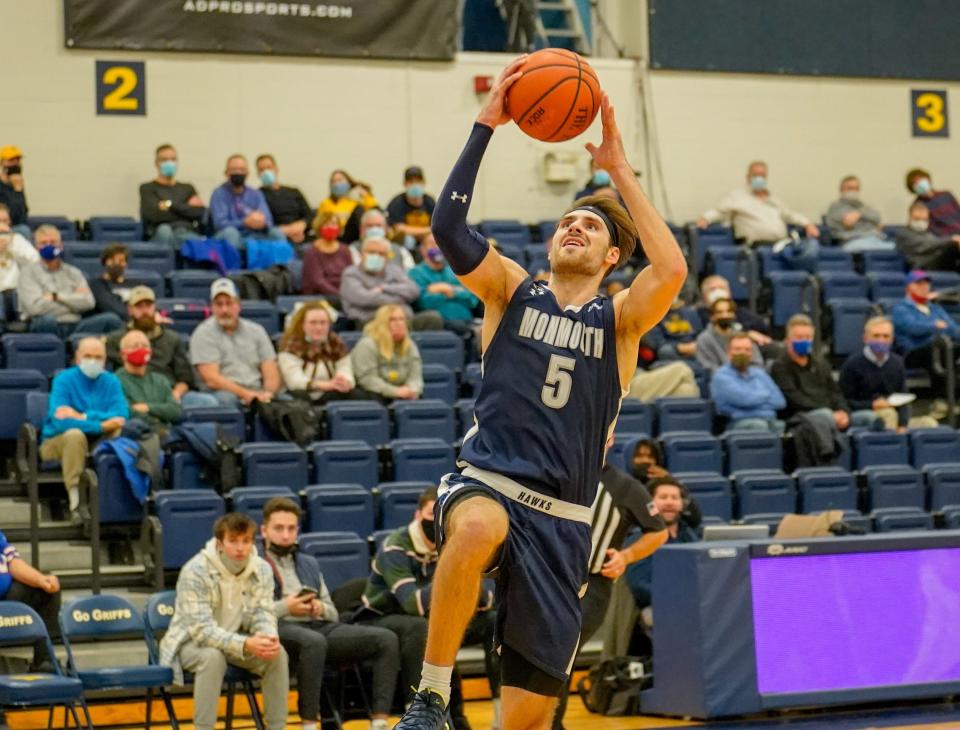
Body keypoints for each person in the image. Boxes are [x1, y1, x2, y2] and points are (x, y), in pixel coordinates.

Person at [392, 56, 686, 730]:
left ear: (613, 257)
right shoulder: (510, 291)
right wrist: (484, 125)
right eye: (566, 223)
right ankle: (432, 696)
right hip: (488, 483)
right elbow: (448, 230)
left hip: (562, 520)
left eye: (591, 227)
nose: (573, 228)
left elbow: (669, 267)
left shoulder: (619, 322)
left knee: (523, 720)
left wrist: (618, 170)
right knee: (472, 527)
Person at [358, 487, 500, 729]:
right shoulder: (395, 547)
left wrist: (460, 584)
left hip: (430, 616)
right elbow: (412, 603)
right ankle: (418, 715)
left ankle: (501, 713)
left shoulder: (452, 542)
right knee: (423, 627)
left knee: (493, 621)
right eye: (429, 513)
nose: (435, 520)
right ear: (417, 516)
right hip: (383, 616)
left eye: (441, 515)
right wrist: (454, 579)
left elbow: (486, 599)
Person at [551, 439, 668, 730]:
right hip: (549, 580)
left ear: (610, 441)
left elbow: (658, 532)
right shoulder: (555, 474)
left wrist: (626, 556)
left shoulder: (625, 487)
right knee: (542, 654)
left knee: (561, 652)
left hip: (593, 584)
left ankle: (552, 724)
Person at [260, 497, 399, 730]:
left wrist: (318, 608)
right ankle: (309, 723)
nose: (286, 535)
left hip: (317, 625)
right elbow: (254, 612)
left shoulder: (308, 562)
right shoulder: (256, 563)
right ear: (264, 530)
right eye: (279, 528)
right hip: (277, 626)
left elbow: (332, 612)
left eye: (291, 528)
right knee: (313, 642)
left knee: (385, 639)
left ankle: (379, 721)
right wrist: (288, 607)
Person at [159, 512, 289, 730]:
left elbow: (263, 612)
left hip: (234, 639)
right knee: (212, 657)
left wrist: (267, 637)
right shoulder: (195, 570)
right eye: (233, 541)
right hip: (190, 642)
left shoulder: (261, 568)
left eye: (246, 541)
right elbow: (202, 631)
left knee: (277, 654)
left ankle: (278, 727)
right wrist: (246, 644)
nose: (240, 548)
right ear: (220, 543)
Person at [41, 337, 128, 524]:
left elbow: (121, 416)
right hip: (56, 443)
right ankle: (76, 502)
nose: (93, 361)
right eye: (88, 356)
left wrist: (82, 417)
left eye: (98, 357)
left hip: (96, 441)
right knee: (74, 434)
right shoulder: (63, 380)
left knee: (119, 432)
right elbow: (60, 423)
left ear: (105, 361)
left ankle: (114, 499)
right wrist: (100, 424)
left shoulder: (111, 381)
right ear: (77, 358)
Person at [106, 285, 219, 409]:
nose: (144, 311)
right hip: (131, 394)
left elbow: (185, 379)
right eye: (139, 306)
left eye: (148, 306)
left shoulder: (172, 339)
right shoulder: (116, 339)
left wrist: (175, 395)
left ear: (155, 307)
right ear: (130, 310)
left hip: (168, 391)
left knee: (208, 402)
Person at [696, 161, 820, 272]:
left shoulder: (774, 200)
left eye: (762, 175)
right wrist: (705, 218)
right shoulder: (737, 197)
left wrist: (807, 224)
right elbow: (719, 211)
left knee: (812, 246)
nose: (759, 178)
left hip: (782, 243)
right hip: (757, 246)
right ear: (748, 177)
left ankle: (805, 280)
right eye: (755, 175)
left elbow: (790, 215)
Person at [190, 278, 282, 407]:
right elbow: (212, 379)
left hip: (258, 390)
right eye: (219, 304)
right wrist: (248, 395)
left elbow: (270, 368)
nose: (224, 310)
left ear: (238, 305)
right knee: (226, 400)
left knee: (287, 401)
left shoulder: (257, 331)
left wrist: (268, 393)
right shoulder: (203, 334)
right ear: (212, 307)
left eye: (229, 303)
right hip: (224, 392)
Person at [17, 225, 123, 336]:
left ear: (61, 246)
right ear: (36, 247)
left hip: (76, 325)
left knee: (112, 320)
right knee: (47, 321)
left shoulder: (74, 273)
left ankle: (72, 343)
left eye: (53, 242)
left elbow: (89, 302)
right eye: (43, 243)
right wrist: (74, 304)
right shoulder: (27, 273)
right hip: (47, 324)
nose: (49, 246)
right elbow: (34, 308)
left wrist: (56, 297)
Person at [839, 316, 934, 431]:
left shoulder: (897, 363)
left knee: (929, 423)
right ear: (865, 338)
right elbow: (843, 401)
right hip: (867, 416)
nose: (881, 341)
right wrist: (872, 405)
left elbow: (903, 396)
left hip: (894, 414)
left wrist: (902, 425)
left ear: (892, 339)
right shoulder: (852, 364)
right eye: (876, 336)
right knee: (888, 414)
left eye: (886, 336)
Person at [624, 477, 701, 612]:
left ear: (682, 504)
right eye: (663, 497)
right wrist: (676, 598)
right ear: (650, 503)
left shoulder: (688, 535)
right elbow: (639, 586)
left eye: (674, 498)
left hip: (692, 602)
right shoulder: (640, 539)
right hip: (655, 607)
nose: (669, 502)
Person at [770, 314, 850, 432]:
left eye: (807, 337)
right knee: (826, 415)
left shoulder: (821, 364)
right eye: (799, 337)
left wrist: (844, 412)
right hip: (799, 417)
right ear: (787, 340)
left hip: (829, 412)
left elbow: (835, 392)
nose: (804, 341)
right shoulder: (780, 367)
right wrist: (830, 411)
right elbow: (795, 399)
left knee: (864, 418)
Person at [0, 530, 61, 671]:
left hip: (5, 596)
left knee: (46, 588)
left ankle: (44, 662)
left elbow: (13, 562)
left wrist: (40, 579)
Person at [339, 236, 431, 327]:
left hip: (402, 320)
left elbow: (413, 290)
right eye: (372, 252)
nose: (376, 256)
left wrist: (384, 288)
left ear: (387, 257)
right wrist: (400, 299)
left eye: (381, 253)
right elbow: (365, 299)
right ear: (361, 254)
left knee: (432, 318)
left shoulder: (394, 270)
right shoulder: (350, 273)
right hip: (370, 321)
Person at [278, 301, 361, 401]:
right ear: (302, 324)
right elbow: (295, 381)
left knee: (359, 395)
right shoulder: (290, 346)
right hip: (304, 393)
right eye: (313, 322)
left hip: (332, 390)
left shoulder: (335, 342)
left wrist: (344, 381)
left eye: (323, 322)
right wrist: (324, 385)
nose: (319, 327)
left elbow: (345, 367)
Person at [711, 333, 786, 433]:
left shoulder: (760, 374)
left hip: (768, 421)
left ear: (752, 353)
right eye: (738, 349)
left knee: (781, 426)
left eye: (747, 350)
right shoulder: (721, 376)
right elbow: (744, 400)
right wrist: (765, 395)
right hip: (735, 423)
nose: (743, 353)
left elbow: (780, 402)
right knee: (759, 426)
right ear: (729, 352)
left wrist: (750, 404)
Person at [350, 304, 423, 403]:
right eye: (393, 320)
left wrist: (412, 390)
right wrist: (395, 391)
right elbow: (367, 379)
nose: (399, 323)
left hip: (403, 393)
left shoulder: (410, 345)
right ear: (382, 323)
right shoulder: (367, 345)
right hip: (376, 394)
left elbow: (416, 377)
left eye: (402, 319)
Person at [210, 154, 284, 249]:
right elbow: (219, 224)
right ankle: (236, 262)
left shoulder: (256, 194)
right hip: (231, 236)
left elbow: (268, 220)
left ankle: (285, 262)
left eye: (242, 169)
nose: (238, 172)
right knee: (231, 233)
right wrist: (245, 222)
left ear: (247, 173)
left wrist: (261, 221)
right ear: (226, 173)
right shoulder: (219, 194)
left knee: (275, 232)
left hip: (254, 235)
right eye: (234, 169)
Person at [139, 143, 206, 247]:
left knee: (184, 235)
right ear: (156, 163)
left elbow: (198, 212)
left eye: (173, 159)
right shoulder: (147, 188)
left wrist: (169, 205)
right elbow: (153, 215)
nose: (169, 163)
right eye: (164, 160)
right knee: (166, 231)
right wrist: (185, 209)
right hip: (160, 234)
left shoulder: (188, 188)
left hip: (186, 231)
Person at [115, 329, 183, 431]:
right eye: (135, 346)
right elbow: (128, 412)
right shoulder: (115, 381)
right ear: (123, 354)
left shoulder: (161, 380)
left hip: (168, 434)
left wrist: (147, 407)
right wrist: (160, 416)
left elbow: (175, 411)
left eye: (145, 346)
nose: (141, 349)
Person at [408, 233, 478, 330]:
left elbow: (472, 299)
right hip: (440, 325)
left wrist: (447, 290)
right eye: (433, 244)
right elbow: (424, 302)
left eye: (441, 244)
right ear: (422, 250)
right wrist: (458, 291)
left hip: (468, 323)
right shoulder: (415, 273)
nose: (438, 247)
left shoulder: (457, 271)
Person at [696, 274, 772, 350]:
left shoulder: (743, 313)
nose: (718, 292)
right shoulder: (698, 315)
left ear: (729, 292)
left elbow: (762, 332)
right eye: (712, 289)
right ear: (704, 295)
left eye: (721, 288)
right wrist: (746, 335)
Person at [695, 297, 763, 374]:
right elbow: (708, 367)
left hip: (749, 379)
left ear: (734, 315)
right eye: (719, 312)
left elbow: (758, 363)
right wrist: (733, 376)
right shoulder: (704, 339)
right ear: (712, 317)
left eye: (729, 311)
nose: (725, 315)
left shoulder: (742, 336)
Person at [824, 175, 892, 252]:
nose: (853, 191)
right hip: (851, 242)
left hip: (874, 238)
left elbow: (877, 217)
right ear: (841, 189)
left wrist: (859, 214)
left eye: (856, 188)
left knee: (898, 248)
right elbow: (848, 222)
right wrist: (870, 222)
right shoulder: (836, 207)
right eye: (850, 188)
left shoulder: (862, 205)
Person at [255, 154, 312, 244]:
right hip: (276, 239)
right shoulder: (257, 196)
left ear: (276, 169)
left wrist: (302, 225)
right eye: (262, 170)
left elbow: (310, 216)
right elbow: (261, 223)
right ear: (258, 174)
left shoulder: (294, 192)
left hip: (302, 236)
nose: (266, 172)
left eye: (269, 167)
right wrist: (285, 231)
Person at [301, 212, 352, 302]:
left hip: (344, 295)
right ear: (319, 227)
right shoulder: (312, 252)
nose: (331, 227)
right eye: (327, 224)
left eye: (334, 224)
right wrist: (339, 296)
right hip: (319, 297)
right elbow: (318, 281)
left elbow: (351, 274)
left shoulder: (345, 250)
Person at [895, 201, 960, 271]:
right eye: (917, 219)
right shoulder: (903, 233)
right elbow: (926, 244)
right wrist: (952, 239)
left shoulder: (928, 233)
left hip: (937, 264)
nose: (921, 222)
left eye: (924, 220)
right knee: (953, 245)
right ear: (909, 218)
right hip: (918, 270)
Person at [348, 208, 416, 270]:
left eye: (378, 225)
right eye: (369, 226)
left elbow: (411, 274)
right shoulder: (351, 250)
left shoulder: (400, 250)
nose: (374, 229)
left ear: (386, 229)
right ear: (361, 229)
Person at [387, 166, 436, 245]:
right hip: (405, 240)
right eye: (411, 181)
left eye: (418, 181)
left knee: (432, 239)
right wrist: (428, 230)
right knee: (409, 241)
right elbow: (399, 228)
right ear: (405, 184)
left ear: (423, 183)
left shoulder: (429, 201)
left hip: (425, 238)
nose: (415, 184)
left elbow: (435, 225)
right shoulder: (397, 203)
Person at [906, 168, 960, 238]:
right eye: (915, 182)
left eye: (920, 180)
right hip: (948, 239)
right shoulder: (918, 205)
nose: (919, 183)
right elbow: (927, 229)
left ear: (927, 179)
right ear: (912, 188)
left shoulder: (946, 195)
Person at [0, 201, 39, 293]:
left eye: (5, 221)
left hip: (13, 291)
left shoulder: (17, 239)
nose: (1, 225)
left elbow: (36, 262)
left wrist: (12, 245)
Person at [89, 243, 133, 319]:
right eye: (120, 261)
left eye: (125, 261)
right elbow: (111, 307)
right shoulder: (97, 284)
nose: (124, 264)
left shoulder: (135, 284)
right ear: (108, 261)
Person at [0, 144, 28, 230]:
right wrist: (17, 191)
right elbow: (12, 215)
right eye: (11, 160)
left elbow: (22, 217)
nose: (15, 163)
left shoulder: (17, 184)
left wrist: (18, 190)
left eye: (18, 160)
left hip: (14, 228)